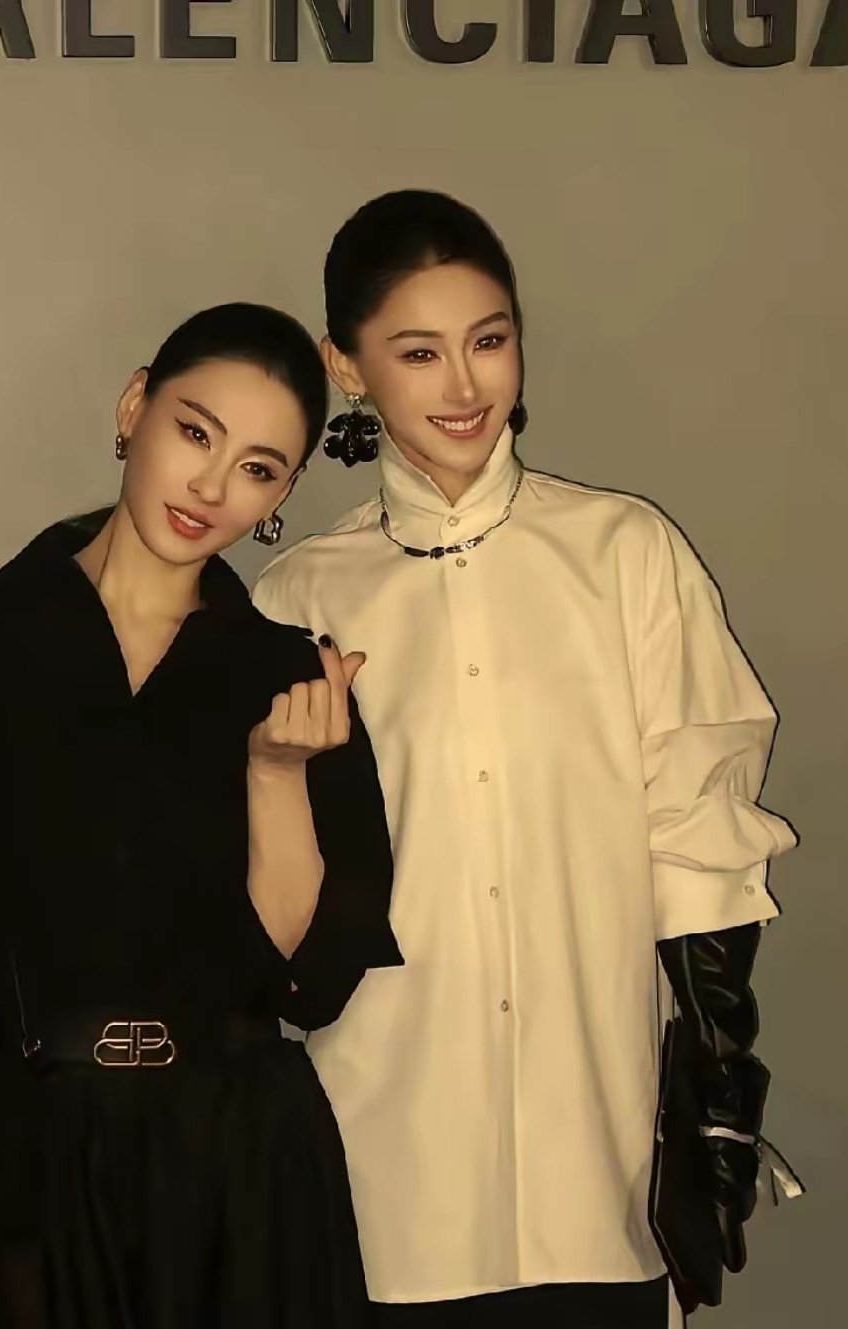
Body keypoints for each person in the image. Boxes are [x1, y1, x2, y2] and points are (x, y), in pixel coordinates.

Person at [0, 301, 402, 1329]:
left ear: (283, 493)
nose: (210, 486)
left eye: (257, 468)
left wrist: (275, 775)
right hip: (3, 1140)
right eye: (194, 432)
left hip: (235, 1167)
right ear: (134, 407)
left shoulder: (290, 677)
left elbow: (306, 979)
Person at [251, 192, 799, 1328]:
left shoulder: (624, 553)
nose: (464, 385)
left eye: (488, 340)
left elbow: (695, 837)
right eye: (418, 352)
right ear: (346, 367)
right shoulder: (296, 596)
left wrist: (719, 1097)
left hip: (593, 1167)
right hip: (380, 1160)